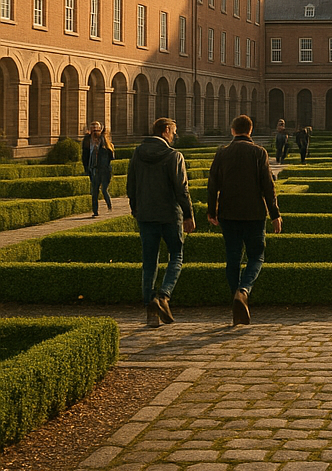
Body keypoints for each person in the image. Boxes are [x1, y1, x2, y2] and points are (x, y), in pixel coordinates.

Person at [207, 115, 283, 326]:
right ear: (250, 130)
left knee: (232, 257)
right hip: (254, 213)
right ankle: (244, 290)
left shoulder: (222, 153)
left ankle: (236, 299)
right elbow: (268, 186)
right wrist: (275, 214)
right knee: (256, 256)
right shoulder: (259, 152)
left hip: (228, 213)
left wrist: (211, 210)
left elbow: (212, 183)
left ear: (233, 130)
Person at [126, 118, 196, 328]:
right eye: (174, 131)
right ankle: (164, 296)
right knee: (176, 255)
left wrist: (135, 208)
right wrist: (188, 214)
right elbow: (181, 189)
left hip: (146, 214)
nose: (175, 135)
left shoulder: (138, 153)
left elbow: (131, 184)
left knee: (149, 262)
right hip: (169, 215)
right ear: (166, 130)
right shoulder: (174, 155)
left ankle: (150, 309)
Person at [81, 120, 115, 216]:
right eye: (93, 129)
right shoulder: (87, 141)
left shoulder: (104, 140)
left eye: (97, 129)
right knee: (94, 190)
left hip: (104, 169)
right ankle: (95, 211)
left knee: (104, 189)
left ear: (100, 129)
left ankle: (109, 205)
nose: (95, 131)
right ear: (90, 130)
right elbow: (84, 155)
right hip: (93, 168)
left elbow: (111, 156)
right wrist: (86, 168)